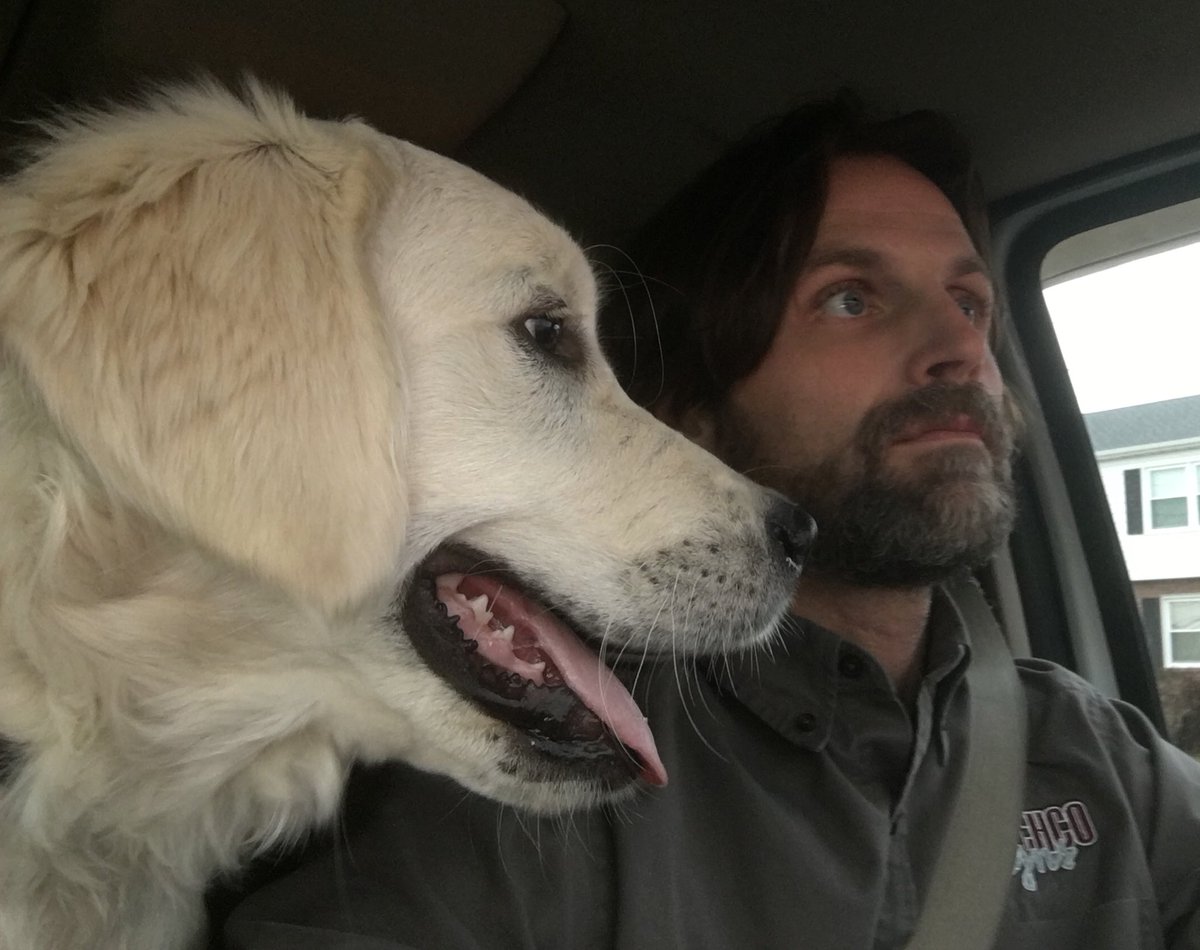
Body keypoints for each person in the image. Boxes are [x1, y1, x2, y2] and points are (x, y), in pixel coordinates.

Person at [216, 94, 1200, 949]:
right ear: (694, 413)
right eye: (851, 298)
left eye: (971, 302)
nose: (958, 347)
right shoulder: (550, 752)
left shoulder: (1105, 755)